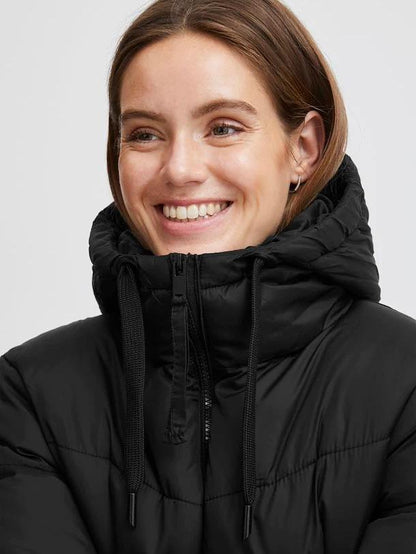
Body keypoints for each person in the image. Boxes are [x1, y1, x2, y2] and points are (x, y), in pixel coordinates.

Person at [1, 0, 415, 552]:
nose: (179, 169)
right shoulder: (28, 394)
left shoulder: (407, 385)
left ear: (303, 149)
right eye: (144, 134)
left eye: (222, 128)